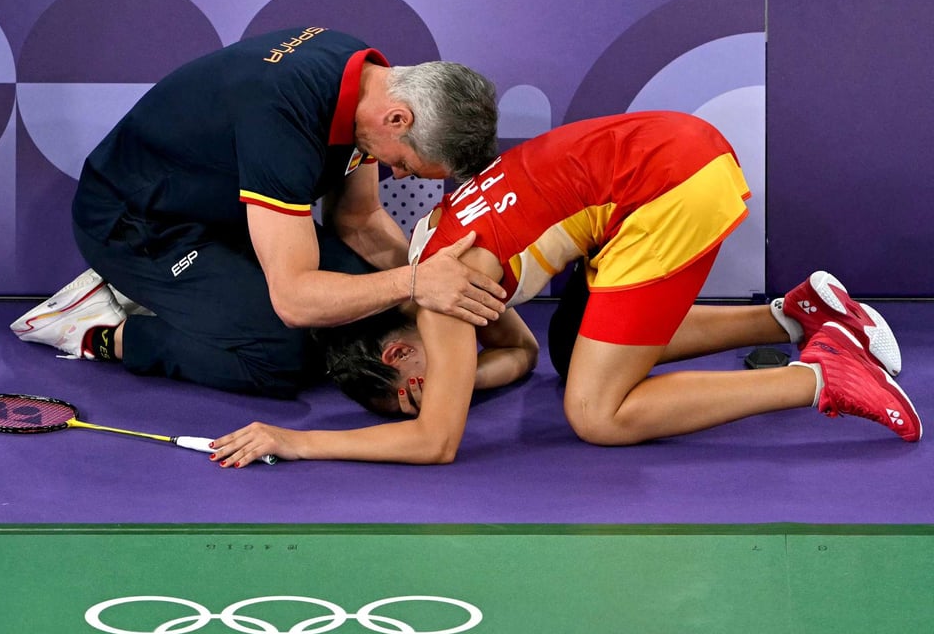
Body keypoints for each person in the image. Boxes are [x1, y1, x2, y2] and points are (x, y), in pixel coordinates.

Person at [208, 110, 921, 467]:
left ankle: (818, 378)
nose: (453, 385)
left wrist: (297, 442)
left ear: (399, 358)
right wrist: (462, 375)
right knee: (573, 341)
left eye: (420, 388)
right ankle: (798, 316)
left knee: (596, 411)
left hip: (667, 186)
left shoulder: (440, 294)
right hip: (664, 149)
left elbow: (434, 442)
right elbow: (518, 356)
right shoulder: (432, 246)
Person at [10, 26, 506, 398]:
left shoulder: (369, 85)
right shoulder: (283, 116)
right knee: (281, 357)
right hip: (139, 225)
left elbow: (358, 223)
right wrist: (416, 283)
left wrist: (459, 297)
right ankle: (102, 330)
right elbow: (294, 300)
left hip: (227, 209)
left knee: (364, 297)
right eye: (406, 163)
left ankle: (202, 300)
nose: (398, 175)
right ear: (399, 119)